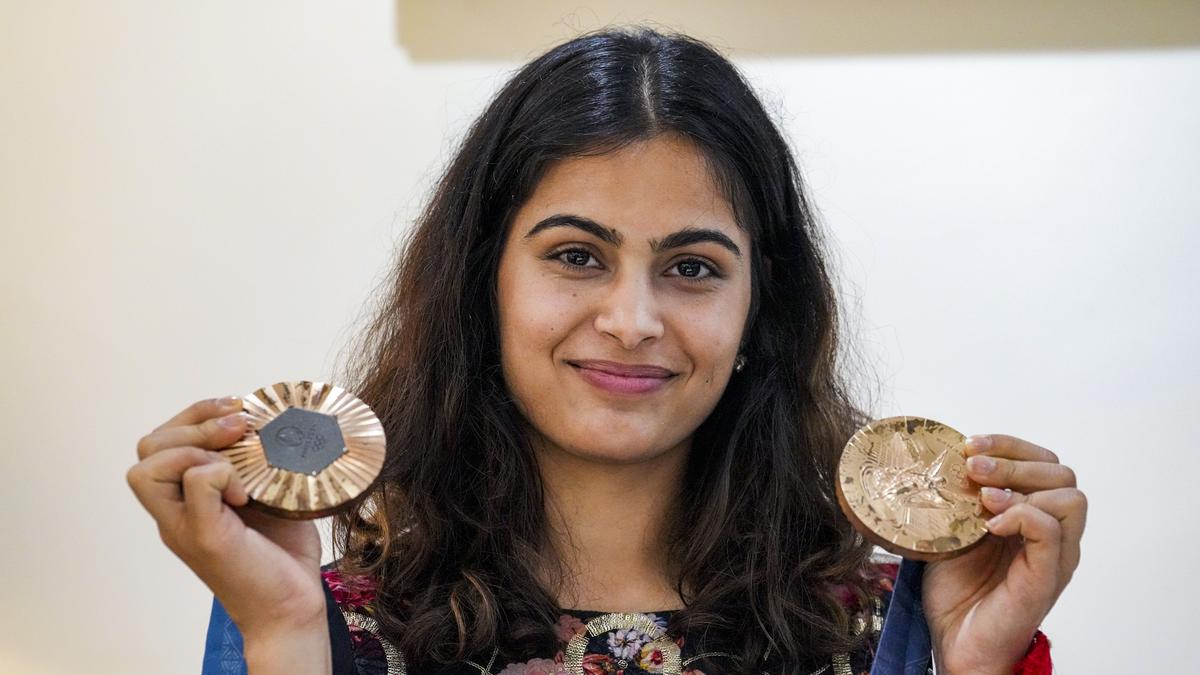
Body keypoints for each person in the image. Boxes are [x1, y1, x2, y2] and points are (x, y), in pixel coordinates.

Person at [127, 26, 1085, 675]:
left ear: (763, 308)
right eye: (577, 256)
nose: (632, 318)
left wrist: (964, 663)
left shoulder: (879, 632)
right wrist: (286, 633)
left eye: (695, 267)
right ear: (482, 284)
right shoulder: (337, 623)